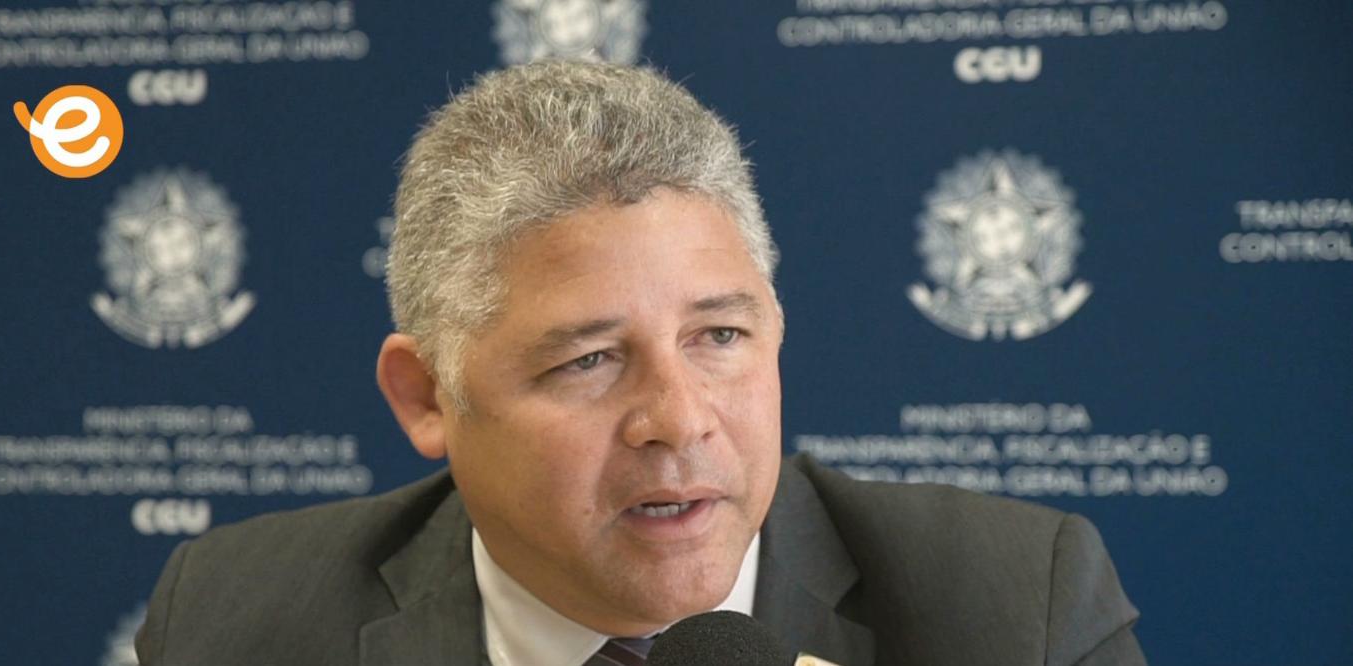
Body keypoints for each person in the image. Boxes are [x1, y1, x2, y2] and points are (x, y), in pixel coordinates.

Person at [135, 60, 1145, 666]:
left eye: (719, 337)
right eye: (588, 361)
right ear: (427, 396)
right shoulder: (236, 623)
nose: (679, 418)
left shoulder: (1015, 612)